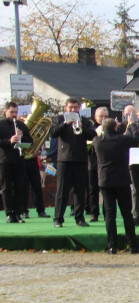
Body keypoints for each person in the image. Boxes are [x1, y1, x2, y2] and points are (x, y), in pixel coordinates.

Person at [92, 118, 139, 254]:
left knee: (109, 215)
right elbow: (136, 138)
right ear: (115, 128)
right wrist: (131, 124)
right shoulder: (122, 139)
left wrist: (100, 130)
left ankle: (112, 246)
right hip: (122, 180)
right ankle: (133, 245)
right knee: (127, 214)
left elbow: (96, 135)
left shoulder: (97, 141)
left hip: (105, 181)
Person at [50, 97, 97, 228]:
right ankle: (58, 218)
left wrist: (82, 127)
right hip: (64, 159)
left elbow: (92, 134)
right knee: (62, 191)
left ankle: (79, 218)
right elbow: (53, 133)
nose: (73, 110)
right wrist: (65, 123)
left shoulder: (84, 120)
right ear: (66, 108)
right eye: (70, 107)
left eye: (75, 107)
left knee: (80, 191)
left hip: (81, 159)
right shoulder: (59, 119)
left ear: (79, 108)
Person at [1, 101, 31, 223]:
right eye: (11, 112)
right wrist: (10, 141)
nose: (14, 115)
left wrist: (22, 136)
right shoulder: (1, 125)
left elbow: (30, 141)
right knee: (7, 188)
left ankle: (17, 213)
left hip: (19, 160)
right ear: (5, 112)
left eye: (15, 112)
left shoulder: (21, 125)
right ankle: (9, 213)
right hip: (5, 160)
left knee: (19, 187)